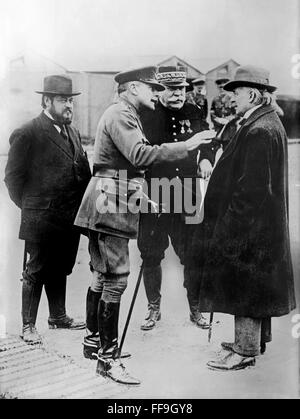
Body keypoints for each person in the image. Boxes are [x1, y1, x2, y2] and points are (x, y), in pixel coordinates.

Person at [74, 66, 215, 385]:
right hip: (115, 198)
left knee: (104, 275)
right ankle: (107, 359)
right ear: (134, 88)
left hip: (136, 195)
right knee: (117, 278)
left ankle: (94, 344)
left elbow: (124, 165)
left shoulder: (130, 111)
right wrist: (190, 146)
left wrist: (200, 154)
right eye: (153, 88)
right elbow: (139, 156)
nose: (159, 93)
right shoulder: (126, 114)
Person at [192, 65, 296, 371]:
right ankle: (252, 341)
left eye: (235, 93)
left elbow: (251, 192)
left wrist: (229, 226)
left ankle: (245, 349)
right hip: (263, 225)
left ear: (251, 94)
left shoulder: (259, 130)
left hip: (251, 225)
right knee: (255, 285)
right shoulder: (266, 122)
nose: (231, 99)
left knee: (245, 283)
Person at [4, 74, 91, 344]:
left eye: (71, 101)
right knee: (37, 269)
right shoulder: (28, 132)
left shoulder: (73, 132)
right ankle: (28, 325)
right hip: (41, 217)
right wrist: (31, 208)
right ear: (46, 100)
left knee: (62, 266)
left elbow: (82, 173)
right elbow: (12, 178)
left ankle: (58, 316)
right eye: (63, 100)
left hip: (69, 217)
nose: (69, 106)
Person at [138, 66, 218, 331]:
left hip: (187, 191)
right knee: (150, 253)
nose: (179, 94)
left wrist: (206, 159)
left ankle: (196, 309)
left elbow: (209, 140)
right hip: (155, 191)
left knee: (193, 253)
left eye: (182, 89)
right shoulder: (146, 114)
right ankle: (153, 309)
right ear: (160, 90)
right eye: (172, 89)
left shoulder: (194, 112)